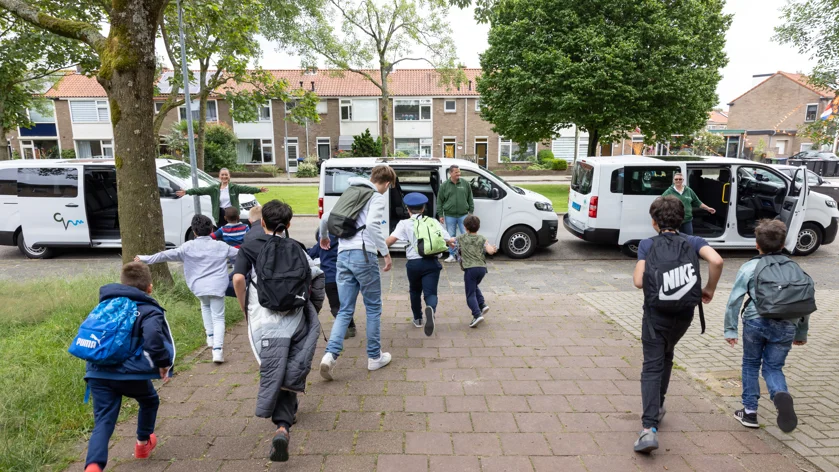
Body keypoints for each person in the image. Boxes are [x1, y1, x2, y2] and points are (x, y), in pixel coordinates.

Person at [231, 200, 322, 463]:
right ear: (289, 224)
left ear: (262, 223)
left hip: (264, 323)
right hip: (295, 320)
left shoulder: (248, 248)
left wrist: (244, 310)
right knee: (291, 364)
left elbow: (238, 279)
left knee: (275, 367)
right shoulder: (297, 248)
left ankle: (282, 425)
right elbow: (317, 278)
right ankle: (285, 421)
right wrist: (312, 309)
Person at [633, 196, 723, 453]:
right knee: (667, 355)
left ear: (654, 222)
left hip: (654, 316)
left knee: (652, 365)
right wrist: (709, 289)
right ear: (682, 219)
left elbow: (639, 282)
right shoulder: (693, 242)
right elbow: (716, 261)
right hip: (684, 314)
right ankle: (658, 406)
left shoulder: (647, 245)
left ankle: (649, 428)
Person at [83, 262, 174, 472]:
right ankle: (142, 444)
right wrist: (162, 364)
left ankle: (93, 467)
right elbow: (153, 340)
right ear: (149, 288)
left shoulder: (104, 306)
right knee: (149, 400)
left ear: (122, 283)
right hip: (130, 374)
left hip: (97, 372)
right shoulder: (149, 309)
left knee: (103, 422)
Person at [724, 219, 809, 433]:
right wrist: (801, 332)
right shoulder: (795, 268)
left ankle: (750, 413)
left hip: (755, 321)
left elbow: (734, 300)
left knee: (751, 364)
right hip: (786, 325)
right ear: (783, 244)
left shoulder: (749, 267)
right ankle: (780, 393)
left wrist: (730, 329)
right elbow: (803, 301)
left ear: (756, 244)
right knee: (773, 367)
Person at [319, 165, 396, 380]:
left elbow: (325, 218)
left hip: (342, 256)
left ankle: (330, 355)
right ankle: (374, 358)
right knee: (372, 308)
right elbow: (372, 225)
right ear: (387, 183)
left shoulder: (351, 192)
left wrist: (324, 237)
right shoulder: (376, 197)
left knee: (345, 310)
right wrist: (386, 252)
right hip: (364, 255)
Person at [136, 214, 237, 363]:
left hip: (198, 287)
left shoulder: (187, 247)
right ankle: (217, 350)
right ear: (211, 229)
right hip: (217, 286)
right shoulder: (221, 246)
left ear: (194, 232)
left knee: (205, 306)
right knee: (218, 317)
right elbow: (241, 254)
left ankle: (210, 337)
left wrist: (145, 258)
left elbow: (165, 255)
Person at [386, 192, 456, 335]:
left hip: (414, 263)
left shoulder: (404, 224)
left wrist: (375, 248)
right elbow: (448, 239)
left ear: (408, 209)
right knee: (431, 292)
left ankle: (418, 319)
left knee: (415, 291)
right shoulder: (433, 221)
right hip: (432, 262)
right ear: (423, 208)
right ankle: (430, 308)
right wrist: (453, 242)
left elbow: (390, 241)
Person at [175, 167, 268, 227]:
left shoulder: (234, 188)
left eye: (226, 175)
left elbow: (246, 189)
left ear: (229, 176)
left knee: (233, 231)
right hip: (220, 214)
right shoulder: (214, 188)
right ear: (219, 176)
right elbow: (200, 190)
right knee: (223, 232)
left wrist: (259, 190)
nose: (224, 176)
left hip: (232, 213)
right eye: (222, 175)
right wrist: (187, 192)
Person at [308, 229, 356, 337]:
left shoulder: (322, 243)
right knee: (346, 304)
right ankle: (351, 327)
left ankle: (343, 328)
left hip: (330, 278)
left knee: (335, 305)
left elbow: (310, 254)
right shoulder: (344, 242)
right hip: (345, 277)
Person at [457, 215, 497, 328]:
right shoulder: (482, 238)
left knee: (470, 293)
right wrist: (492, 249)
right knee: (474, 286)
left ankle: (476, 314)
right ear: (478, 227)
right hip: (482, 269)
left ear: (465, 227)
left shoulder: (462, 238)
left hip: (470, 269)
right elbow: (489, 250)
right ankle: (482, 304)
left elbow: (451, 241)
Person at [437, 165, 474, 262]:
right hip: (450, 215)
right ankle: (452, 256)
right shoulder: (444, 186)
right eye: (456, 172)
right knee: (450, 236)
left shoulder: (465, 184)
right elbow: (439, 201)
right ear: (451, 173)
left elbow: (470, 198)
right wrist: (440, 214)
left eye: (459, 172)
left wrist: (471, 212)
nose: (459, 174)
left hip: (464, 215)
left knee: (466, 236)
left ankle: (466, 255)